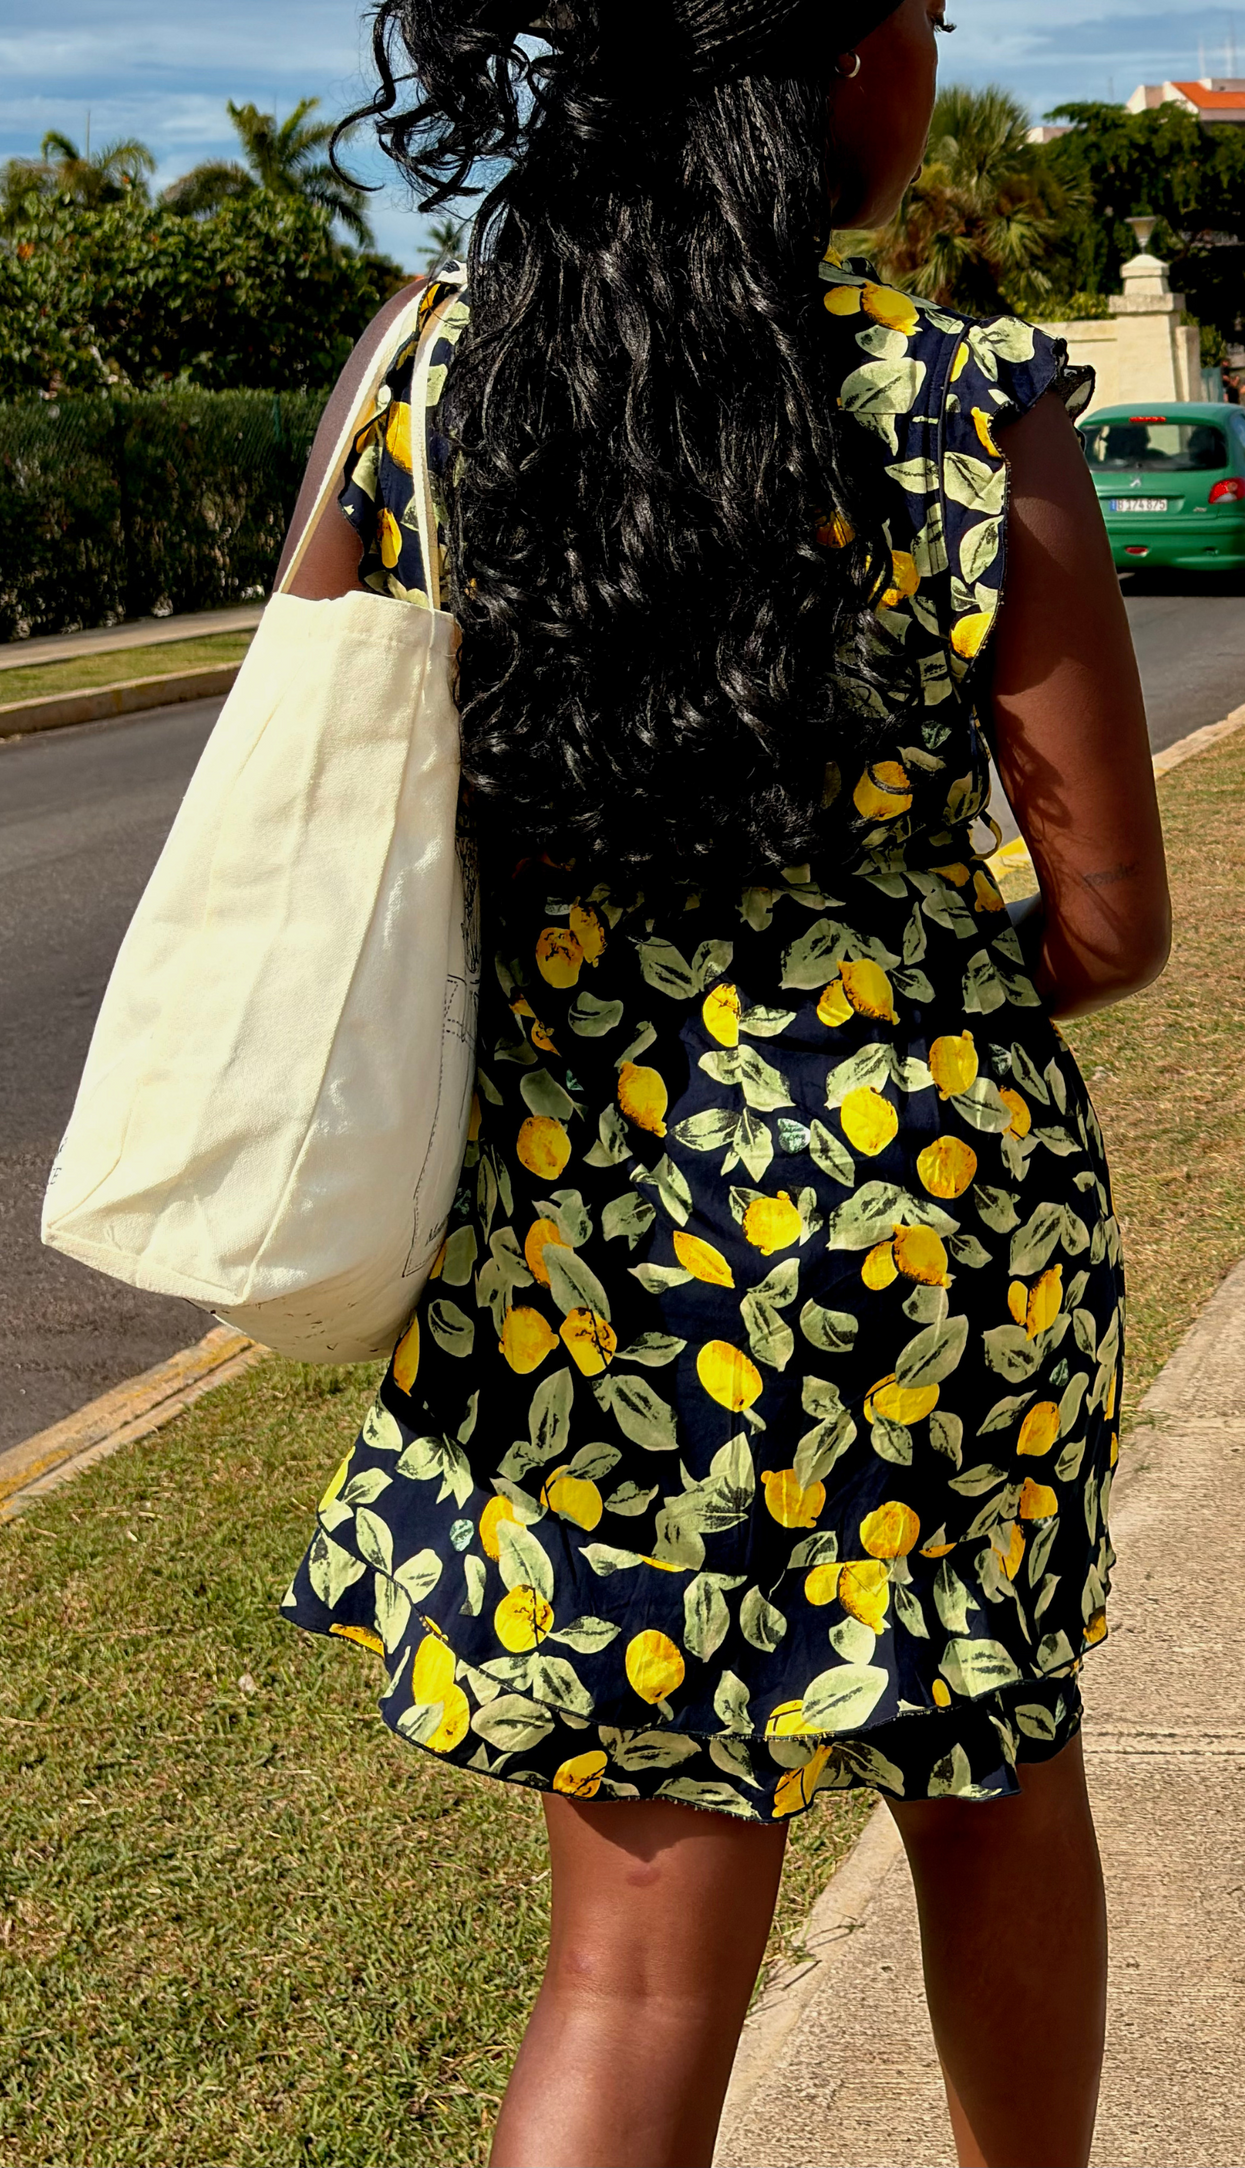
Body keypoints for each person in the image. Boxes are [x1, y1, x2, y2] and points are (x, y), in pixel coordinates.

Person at [276, 3, 1171, 2162]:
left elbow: (303, 779)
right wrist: (884, 1006)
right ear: (843, 61)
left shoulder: (427, 365)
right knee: (985, 1763)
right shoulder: (971, 405)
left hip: (586, 1240)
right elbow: (1112, 922)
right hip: (923, 1235)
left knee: (635, 1948)